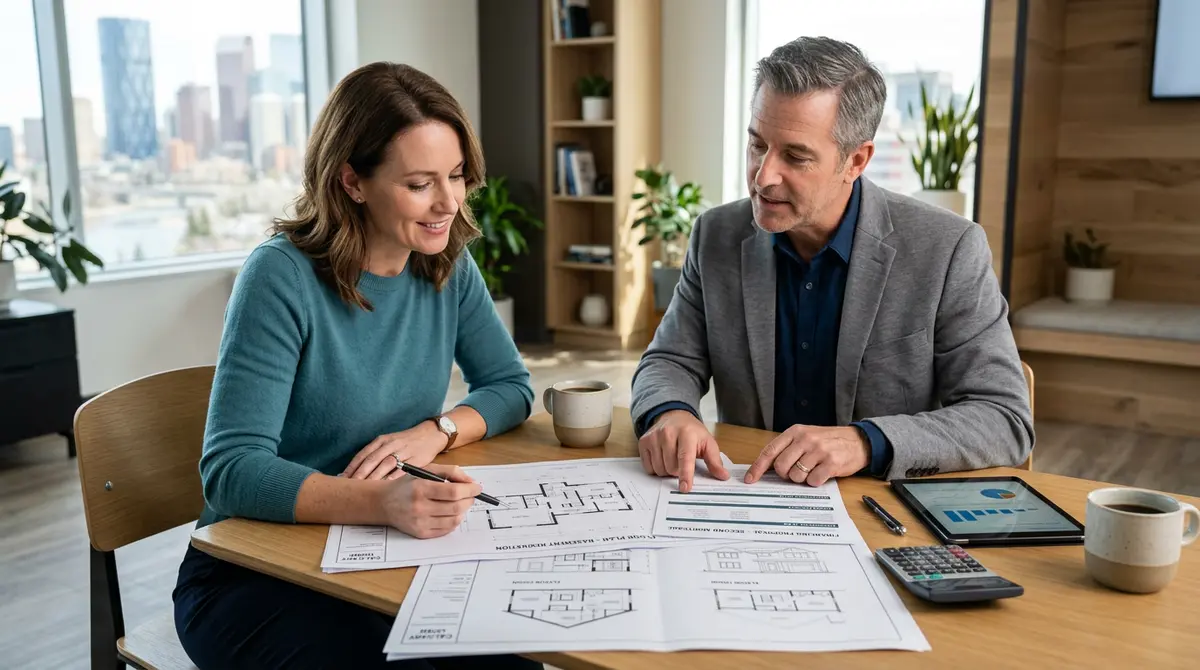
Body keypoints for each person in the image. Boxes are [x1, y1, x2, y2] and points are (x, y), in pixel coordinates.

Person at [172, 61, 541, 670]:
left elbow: (510, 386)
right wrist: (382, 502)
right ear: (352, 182)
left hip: (379, 554)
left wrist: (436, 432)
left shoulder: (445, 263)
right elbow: (231, 471)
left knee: (512, 656)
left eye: (455, 176)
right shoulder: (280, 277)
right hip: (252, 573)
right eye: (420, 184)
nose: (448, 203)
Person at [631, 36, 1033, 493]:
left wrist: (864, 441)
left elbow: (1003, 418)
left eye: (795, 156)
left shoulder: (948, 249)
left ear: (856, 161)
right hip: (746, 495)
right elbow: (670, 360)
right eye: (757, 145)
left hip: (879, 505)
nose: (763, 176)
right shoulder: (715, 235)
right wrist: (671, 412)